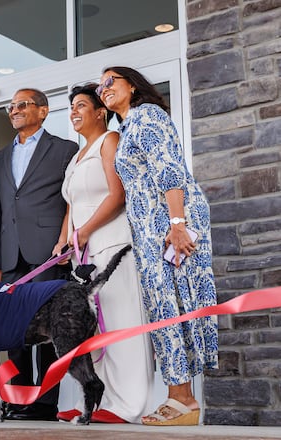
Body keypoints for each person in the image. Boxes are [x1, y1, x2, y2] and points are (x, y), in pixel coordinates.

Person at [97, 66, 218, 426]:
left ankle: (182, 399)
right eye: (99, 86)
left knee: (176, 305)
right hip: (149, 233)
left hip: (169, 224)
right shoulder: (126, 126)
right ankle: (180, 398)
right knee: (165, 309)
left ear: (132, 86)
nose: (103, 89)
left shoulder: (148, 115)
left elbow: (169, 168)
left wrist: (178, 223)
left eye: (110, 82)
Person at [53, 84, 153, 424]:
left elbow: (117, 194)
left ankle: (127, 403)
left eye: (81, 105)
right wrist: (64, 239)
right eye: (71, 107)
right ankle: (94, 403)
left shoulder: (109, 141)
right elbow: (72, 205)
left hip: (111, 245)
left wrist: (84, 231)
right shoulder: (76, 156)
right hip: (84, 255)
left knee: (121, 322)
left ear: (100, 112)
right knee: (91, 330)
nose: (74, 112)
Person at [0, 88, 78, 421]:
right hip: (10, 256)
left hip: (48, 253)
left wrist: (66, 239)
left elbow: (72, 200)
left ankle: (45, 402)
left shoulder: (65, 150)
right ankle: (19, 399)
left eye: (22, 105)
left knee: (47, 330)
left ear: (43, 111)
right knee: (15, 332)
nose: (14, 110)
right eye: (11, 106)